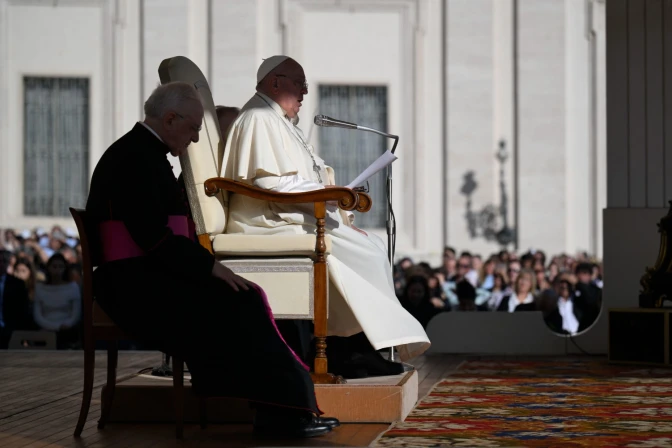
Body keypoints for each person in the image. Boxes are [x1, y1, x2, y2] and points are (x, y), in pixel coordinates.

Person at [85, 82, 336, 438]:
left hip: (147, 272)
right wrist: (210, 267)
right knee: (240, 300)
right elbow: (153, 236)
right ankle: (281, 413)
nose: (195, 139)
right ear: (170, 118)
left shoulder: (145, 153)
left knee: (242, 297)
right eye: (193, 129)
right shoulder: (135, 158)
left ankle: (280, 410)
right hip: (132, 283)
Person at [222, 56, 430, 377]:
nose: (305, 93)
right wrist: (328, 196)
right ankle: (351, 351)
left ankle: (357, 348)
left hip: (289, 216)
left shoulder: (277, 120)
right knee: (369, 254)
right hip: (268, 222)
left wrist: (333, 197)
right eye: (299, 84)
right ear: (275, 82)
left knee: (370, 246)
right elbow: (268, 183)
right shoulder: (259, 118)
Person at [33, 253, 82, 349]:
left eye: (61, 266)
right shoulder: (40, 288)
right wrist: (53, 327)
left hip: (68, 330)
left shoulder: (72, 287)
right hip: (45, 330)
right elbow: (37, 315)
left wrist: (66, 325)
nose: (57, 270)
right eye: (54, 266)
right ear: (48, 268)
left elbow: (76, 314)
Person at [0, 250, 31, 349]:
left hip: (10, 330)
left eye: (3, 261)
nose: (1, 264)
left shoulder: (17, 284)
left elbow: (23, 311)